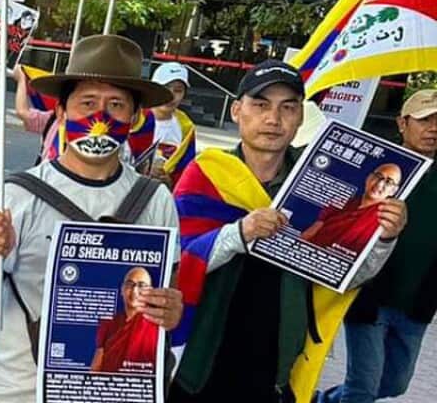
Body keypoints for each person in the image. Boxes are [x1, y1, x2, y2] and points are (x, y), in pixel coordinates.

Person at [0, 34, 183, 403]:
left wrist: (171, 311)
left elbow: (165, 299)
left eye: (116, 104)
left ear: (133, 117)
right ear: (61, 112)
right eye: (88, 103)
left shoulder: (156, 201)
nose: (101, 118)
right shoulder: (15, 195)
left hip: (105, 388)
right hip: (13, 389)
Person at [171, 61, 407, 403]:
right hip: (199, 357)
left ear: (300, 118)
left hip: (277, 362)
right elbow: (178, 262)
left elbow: (349, 274)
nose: (273, 119)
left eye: (288, 107)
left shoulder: (326, 186)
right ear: (237, 111)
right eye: (261, 104)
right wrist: (240, 233)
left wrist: (384, 237)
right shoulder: (205, 175)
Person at [321, 89, 437, 403]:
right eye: (425, 120)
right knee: (362, 390)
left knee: (394, 385)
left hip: (417, 306)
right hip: (370, 298)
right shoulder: (378, 168)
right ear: (402, 123)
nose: (433, 128)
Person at [300, 162, 403, 254]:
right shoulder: (342, 201)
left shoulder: (386, 218)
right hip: (308, 254)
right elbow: (311, 232)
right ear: (369, 177)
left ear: (393, 191)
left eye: (388, 182)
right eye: (378, 176)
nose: (380, 184)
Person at [92, 267, 161, 374]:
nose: (134, 291)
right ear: (122, 289)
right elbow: (96, 367)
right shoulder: (108, 322)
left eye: (141, 286)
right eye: (130, 284)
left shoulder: (157, 324)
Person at [149, 62, 197, 182]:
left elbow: (186, 170)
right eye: (165, 88)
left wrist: (170, 181)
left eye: (178, 90)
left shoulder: (186, 129)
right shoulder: (134, 119)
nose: (171, 95)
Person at [13, 64, 58, 167]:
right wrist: (22, 80)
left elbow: (22, 112)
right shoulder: (53, 119)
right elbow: (22, 112)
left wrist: (21, 80)